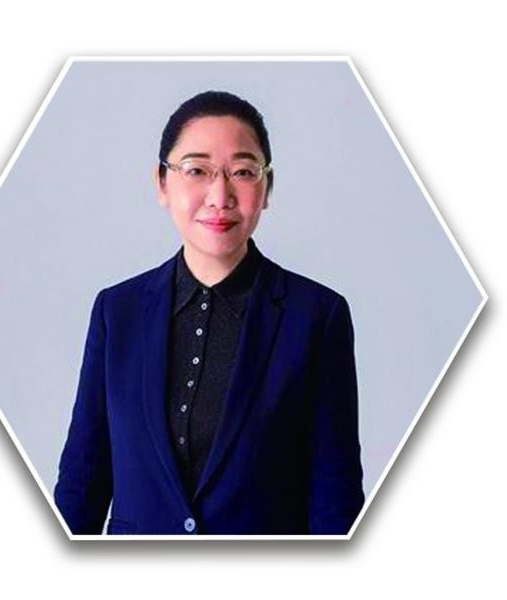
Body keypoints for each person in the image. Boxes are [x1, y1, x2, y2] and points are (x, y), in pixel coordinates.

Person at [54, 90, 365, 536]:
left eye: (243, 172)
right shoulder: (117, 311)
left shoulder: (316, 316)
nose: (220, 196)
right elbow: (81, 486)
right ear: (162, 183)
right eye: (196, 170)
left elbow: (336, 503)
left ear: (267, 187)